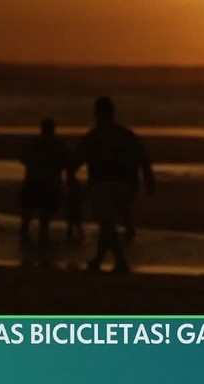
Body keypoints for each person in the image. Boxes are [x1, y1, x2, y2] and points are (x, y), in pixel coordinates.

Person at [72, 97, 155, 274]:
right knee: (106, 222)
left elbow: (76, 161)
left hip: (104, 185)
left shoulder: (94, 136)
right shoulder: (125, 134)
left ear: (98, 113)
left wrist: (71, 177)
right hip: (127, 186)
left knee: (106, 222)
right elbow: (144, 159)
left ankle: (120, 260)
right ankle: (99, 259)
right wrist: (149, 182)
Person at [19, 118, 67, 252]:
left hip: (33, 181)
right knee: (45, 215)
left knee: (27, 214)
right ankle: (41, 242)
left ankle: (25, 243)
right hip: (50, 183)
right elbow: (66, 162)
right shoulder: (58, 145)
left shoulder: (34, 143)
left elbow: (23, 158)